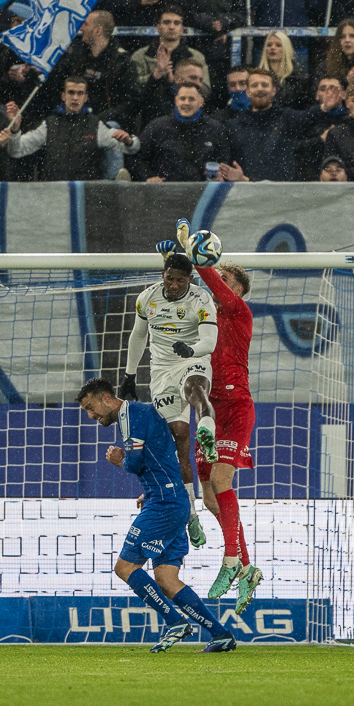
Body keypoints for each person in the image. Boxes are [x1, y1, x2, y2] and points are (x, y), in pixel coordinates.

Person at [76, 377, 237, 654]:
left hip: (164, 505)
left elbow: (136, 462)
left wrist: (120, 460)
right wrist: (151, 490)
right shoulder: (137, 415)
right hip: (170, 499)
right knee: (166, 579)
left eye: (91, 408)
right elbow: (161, 458)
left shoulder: (132, 415)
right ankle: (221, 635)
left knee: (125, 568)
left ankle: (175, 622)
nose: (91, 416)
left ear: (106, 398)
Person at [171, 220, 263, 610]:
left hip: (236, 406)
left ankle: (230, 561)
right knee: (210, 497)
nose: (216, 283)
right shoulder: (204, 316)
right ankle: (248, 567)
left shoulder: (239, 311)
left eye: (224, 280)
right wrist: (174, 258)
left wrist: (197, 256)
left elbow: (207, 277)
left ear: (236, 289)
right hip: (208, 410)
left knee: (222, 480)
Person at [119, 252, 218, 546]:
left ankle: (207, 432)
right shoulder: (147, 299)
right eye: (170, 278)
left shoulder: (201, 299)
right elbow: (138, 337)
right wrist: (129, 375)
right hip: (161, 371)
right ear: (163, 274)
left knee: (196, 388)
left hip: (192, 359)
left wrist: (192, 350)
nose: (174, 285)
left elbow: (210, 340)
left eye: (180, 281)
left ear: (190, 280)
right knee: (178, 441)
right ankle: (191, 514)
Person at [4, 76, 141, 180]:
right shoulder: (49, 125)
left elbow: (133, 148)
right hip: (55, 193)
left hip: (86, 193)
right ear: (63, 96)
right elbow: (16, 151)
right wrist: (15, 130)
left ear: (85, 97)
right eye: (71, 92)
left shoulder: (95, 125)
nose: (75, 98)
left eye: (80, 93)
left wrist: (129, 141)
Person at [221, 68, 344, 182]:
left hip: (283, 192)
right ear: (248, 92)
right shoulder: (234, 125)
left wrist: (324, 107)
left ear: (274, 90)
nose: (260, 89)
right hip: (247, 191)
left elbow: (308, 117)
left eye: (265, 85)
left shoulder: (286, 117)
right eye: (254, 85)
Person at [47, 10, 139, 129]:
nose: (81, 28)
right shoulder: (78, 55)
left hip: (106, 122)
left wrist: (98, 119)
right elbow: (57, 78)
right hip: (76, 116)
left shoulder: (122, 62)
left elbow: (131, 103)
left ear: (98, 30)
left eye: (86, 24)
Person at [134, 83, 231, 182]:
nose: (186, 103)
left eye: (191, 99)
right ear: (176, 101)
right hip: (165, 189)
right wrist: (149, 177)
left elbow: (224, 159)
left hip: (204, 189)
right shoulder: (157, 126)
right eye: (182, 98)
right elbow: (138, 158)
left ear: (201, 102)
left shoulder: (215, 128)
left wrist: (221, 174)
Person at [132, 6, 212, 104]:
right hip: (150, 107)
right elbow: (133, 88)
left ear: (182, 29)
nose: (172, 27)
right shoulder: (140, 55)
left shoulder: (196, 56)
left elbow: (206, 91)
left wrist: (179, 81)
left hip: (187, 107)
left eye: (176, 23)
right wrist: (155, 75)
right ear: (158, 28)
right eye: (166, 22)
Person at [256, 31, 313, 110]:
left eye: (278, 45)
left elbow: (304, 106)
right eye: (269, 45)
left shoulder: (299, 76)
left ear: (286, 49)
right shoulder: (257, 76)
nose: (272, 48)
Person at [318, 19, 354, 87]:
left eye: (352, 36)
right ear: (338, 41)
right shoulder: (325, 66)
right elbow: (318, 91)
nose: (347, 40)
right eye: (343, 37)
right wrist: (346, 82)